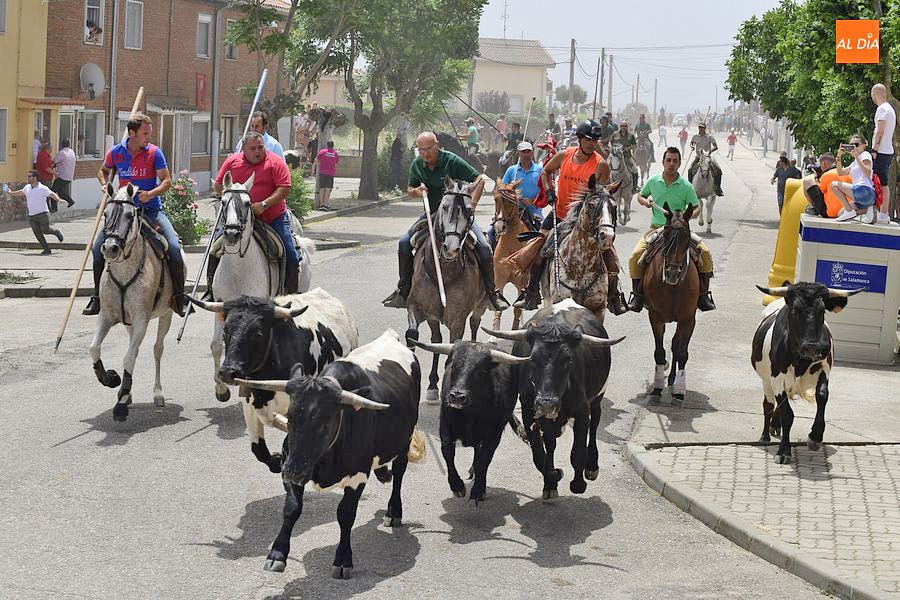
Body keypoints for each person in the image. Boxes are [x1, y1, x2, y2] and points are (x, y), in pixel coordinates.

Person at [382, 131, 509, 311]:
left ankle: (491, 293)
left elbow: (479, 180)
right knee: (404, 244)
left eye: (429, 149)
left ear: (437, 145)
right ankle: (403, 290)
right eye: (421, 150)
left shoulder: (451, 160)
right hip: (432, 214)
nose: (425, 154)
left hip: (458, 217)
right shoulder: (418, 164)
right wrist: (417, 191)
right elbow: (410, 189)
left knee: (485, 249)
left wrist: (471, 204)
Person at [513, 119, 628, 315]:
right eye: (588, 139)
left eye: (595, 140)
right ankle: (531, 292)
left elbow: (603, 193)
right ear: (580, 138)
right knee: (539, 249)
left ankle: (615, 296)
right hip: (560, 213)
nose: (592, 143)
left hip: (587, 219)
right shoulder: (563, 155)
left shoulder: (601, 164)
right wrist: (549, 190)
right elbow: (546, 171)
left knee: (610, 255)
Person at [83, 113, 187, 316]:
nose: (149, 136)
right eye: (145, 133)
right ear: (132, 133)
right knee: (97, 250)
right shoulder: (116, 152)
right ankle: (97, 298)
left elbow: (166, 181)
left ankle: (179, 298)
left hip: (150, 211)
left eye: (149, 133)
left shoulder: (154, 153)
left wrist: (151, 194)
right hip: (123, 213)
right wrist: (104, 185)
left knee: (174, 248)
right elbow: (102, 171)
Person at [626, 147, 716, 312]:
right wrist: (645, 201)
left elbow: (696, 207)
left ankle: (703, 296)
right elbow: (641, 196)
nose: (671, 164)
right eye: (669, 160)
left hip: (680, 230)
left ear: (680, 164)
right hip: (656, 229)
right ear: (663, 162)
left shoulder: (686, 186)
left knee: (706, 254)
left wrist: (689, 216)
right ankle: (637, 296)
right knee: (635, 257)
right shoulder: (653, 181)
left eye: (675, 161)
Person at [211, 131, 299, 292]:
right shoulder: (232, 162)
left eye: (260, 147)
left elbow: (285, 188)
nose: (258, 151)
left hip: (272, 218)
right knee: (214, 249)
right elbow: (219, 184)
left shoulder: (276, 162)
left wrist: (264, 204)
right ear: (243, 149)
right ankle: (213, 290)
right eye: (253, 148)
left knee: (289, 252)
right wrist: (228, 198)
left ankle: (289, 294)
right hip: (238, 221)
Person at [487, 141, 542, 245]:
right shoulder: (512, 170)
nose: (526, 155)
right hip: (510, 210)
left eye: (528, 152)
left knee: (544, 235)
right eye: (523, 152)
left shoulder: (539, 170)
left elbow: (545, 192)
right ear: (519, 154)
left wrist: (533, 201)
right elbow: (500, 190)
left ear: (532, 153)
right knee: (490, 233)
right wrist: (509, 187)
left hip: (533, 210)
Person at [5, 171, 65, 255]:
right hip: (32, 215)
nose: (28, 178)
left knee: (45, 230)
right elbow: (20, 192)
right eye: (27, 176)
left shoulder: (42, 188)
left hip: (42, 214)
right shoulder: (27, 187)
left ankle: (56, 232)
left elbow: (51, 194)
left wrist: (58, 199)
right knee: (37, 233)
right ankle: (46, 249)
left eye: (29, 176)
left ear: (35, 178)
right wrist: (11, 193)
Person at [832, 134, 877, 224]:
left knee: (833, 185)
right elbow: (841, 173)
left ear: (864, 145)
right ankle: (867, 210)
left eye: (856, 144)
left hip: (865, 190)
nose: (854, 147)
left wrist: (856, 156)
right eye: (851, 145)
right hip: (861, 196)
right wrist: (839, 157)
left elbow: (867, 173)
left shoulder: (865, 154)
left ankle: (850, 211)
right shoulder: (855, 162)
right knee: (841, 213)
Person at [870, 83, 896, 223]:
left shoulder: (882, 109)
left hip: (881, 151)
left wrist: (874, 149)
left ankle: (883, 213)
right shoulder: (890, 109)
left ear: (875, 95)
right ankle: (882, 212)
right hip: (887, 150)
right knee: (882, 182)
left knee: (880, 182)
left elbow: (880, 130)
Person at [801, 153, 850, 217]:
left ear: (823, 163)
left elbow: (819, 191)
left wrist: (816, 178)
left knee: (807, 181)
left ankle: (812, 208)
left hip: (830, 213)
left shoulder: (826, 175)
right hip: (846, 211)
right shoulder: (847, 174)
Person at [687, 123, 724, 196]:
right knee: (690, 169)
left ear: (705, 128)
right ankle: (690, 188)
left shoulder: (709, 137)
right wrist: (692, 147)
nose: (701, 129)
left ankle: (718, 188)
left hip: (707, 158)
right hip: (699, 157)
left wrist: (710, 151)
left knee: (719, 170)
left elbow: (715, 147)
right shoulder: (695, 136)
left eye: (702, 127)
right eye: (700, 127)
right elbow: (691, 143)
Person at [612, 120, 640, 190]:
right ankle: (606, 185)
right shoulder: (615, 134)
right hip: (616, 157)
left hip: (627, 156)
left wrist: (629, 148)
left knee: (635, 169)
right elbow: (611, 142)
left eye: (625, 126)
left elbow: (634, 145)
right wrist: (613, 148)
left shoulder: (631, 136)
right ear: (620, 127)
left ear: (627, 127)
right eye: (622, 126)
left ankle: (634, 187)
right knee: (607, 166)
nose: (623, 127)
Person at [51, 139, 77, 208]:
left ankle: (54, 208)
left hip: (62, 176)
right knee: (59, 190)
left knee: (53, 191)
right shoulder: (72, 152)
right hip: (70, 176)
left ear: (61, 145)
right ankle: (70, 201)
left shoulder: (62, 153)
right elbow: (65, 162)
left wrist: (49, 168)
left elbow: (53, 163)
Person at [314, 141, 339, 210]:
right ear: (333, 146)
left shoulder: (323, 152)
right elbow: (336, 163)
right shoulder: (335, 154)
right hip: (331, 173)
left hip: (322, 172)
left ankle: (321, 204)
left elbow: (316, 160)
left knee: (322, 188)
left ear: (327, 145)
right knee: (328, 188)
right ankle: (325, 203)